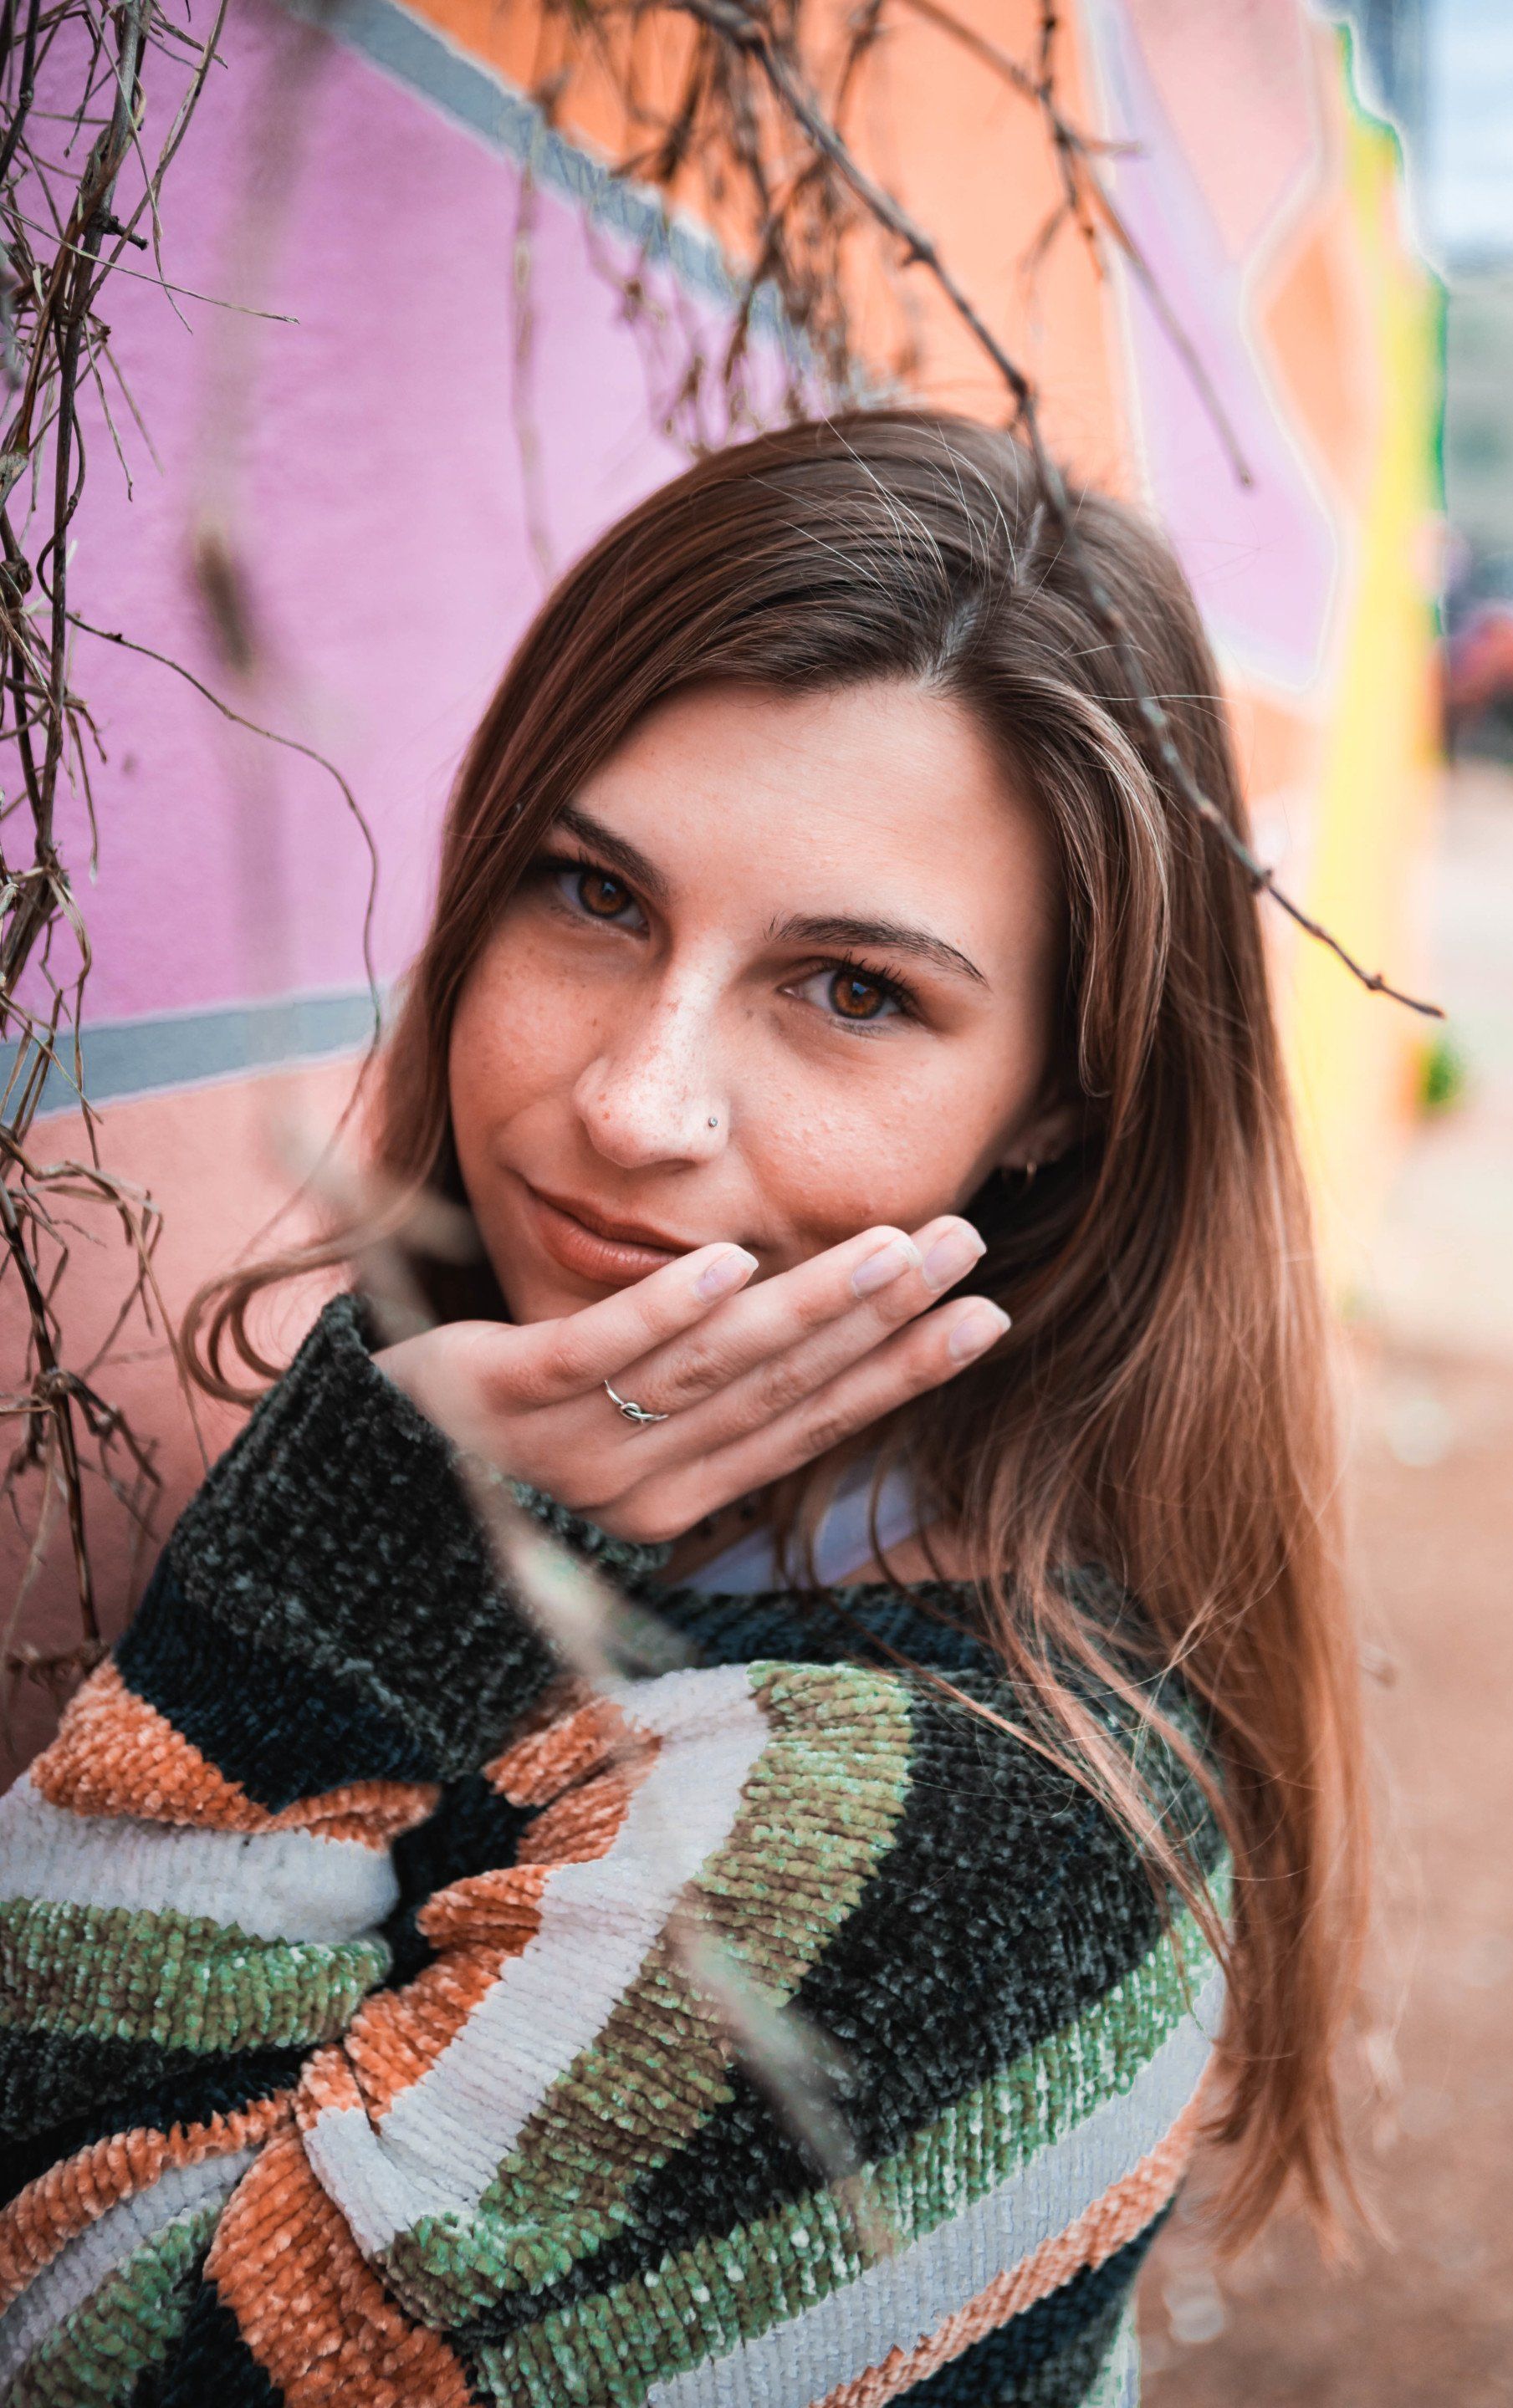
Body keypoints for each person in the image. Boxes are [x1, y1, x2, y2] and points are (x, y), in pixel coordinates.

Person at [0, 412, 1365, 2407]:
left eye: (855, 992)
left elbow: (83, 2363)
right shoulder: (611, 1518)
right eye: (592, 893)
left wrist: (325, 1596)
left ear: (1064, 1099)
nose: (634, 1106)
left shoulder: (932, 1845)